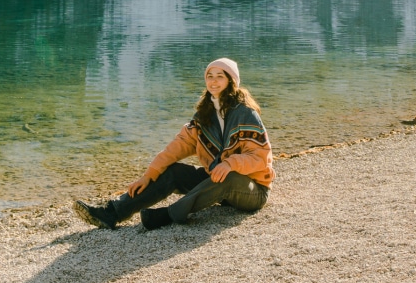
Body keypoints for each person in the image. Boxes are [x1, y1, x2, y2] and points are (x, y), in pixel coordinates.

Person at [73, 57, 274, 230]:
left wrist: (230, 163)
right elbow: (175, 148)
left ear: (231, 81)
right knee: (173, 171)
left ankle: (170, 214)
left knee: (228, 177)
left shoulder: (246, 113)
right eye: (209, 76)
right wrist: (147, 176)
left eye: (220, 76)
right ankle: (113, 212)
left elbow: (260, 158)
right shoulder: (204, 115)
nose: (213, 81)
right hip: (218, 185)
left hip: (252, 190)